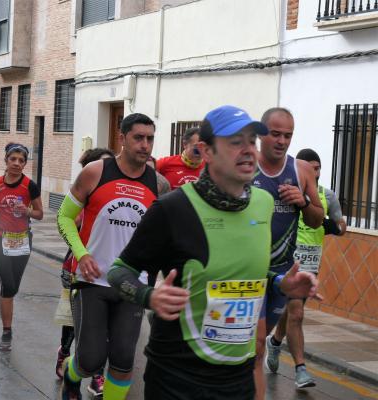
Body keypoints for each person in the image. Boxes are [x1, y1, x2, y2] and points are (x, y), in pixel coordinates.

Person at [106, 105, 320, 400]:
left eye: (251, 141)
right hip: (178, 378)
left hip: (238, 378)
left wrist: (279, 282)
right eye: (235, 142)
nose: (247, 150)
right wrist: (149, 297)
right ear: (206, 152)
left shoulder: (262, 204)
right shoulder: (173, 209)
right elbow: (119, 271)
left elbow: (239, 267)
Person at [57, 113, 166, 400]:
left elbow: (164, 236)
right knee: (91, 359)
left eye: (150, 138)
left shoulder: (160, 184)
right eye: (138, 137)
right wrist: (81, 255)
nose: (145, 145)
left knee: (122, 359)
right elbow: (64, 217)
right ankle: (71, 376)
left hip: (132, 285)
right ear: (122, 138)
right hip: (91, 280)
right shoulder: (95, 171)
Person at [251, 107, 325, 399]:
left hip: (283, 273)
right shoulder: (245, 165)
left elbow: (317, 219)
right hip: (250, 271)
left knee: (262, 338)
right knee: (255, 345)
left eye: (288, 135)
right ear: (260, 133)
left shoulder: (301, 171)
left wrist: (304, 201)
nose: (282, 141)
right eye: (275, 134)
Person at [264, 148, 346, 388]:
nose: (315, 172)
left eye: (318, 168)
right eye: (311, 168)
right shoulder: (287, 189)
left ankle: (276, 342)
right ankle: (301, 369)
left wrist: (333, 226)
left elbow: (342, 225)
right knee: (297, 312)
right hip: (288, 264)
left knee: (289, 312)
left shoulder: (327, 195)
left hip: (311, 267)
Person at [55, 147, 114, 396]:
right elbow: (66, 223)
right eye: (104, 166)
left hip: (110, 276)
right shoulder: (83, 196)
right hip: (76, 271)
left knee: (103, 330)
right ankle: (65, 353)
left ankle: (98, 376)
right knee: (75, 325)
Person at [0, 143, 43, 351]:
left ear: (25, 164)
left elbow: (40, 214)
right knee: (7, 286)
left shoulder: (30, 185)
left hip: (22, 241)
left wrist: (27, 210)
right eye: (13, 159)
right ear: (6, 161)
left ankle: (4, 297)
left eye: (21, 160)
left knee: (13, 287)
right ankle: (7, 332)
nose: (16, 163)